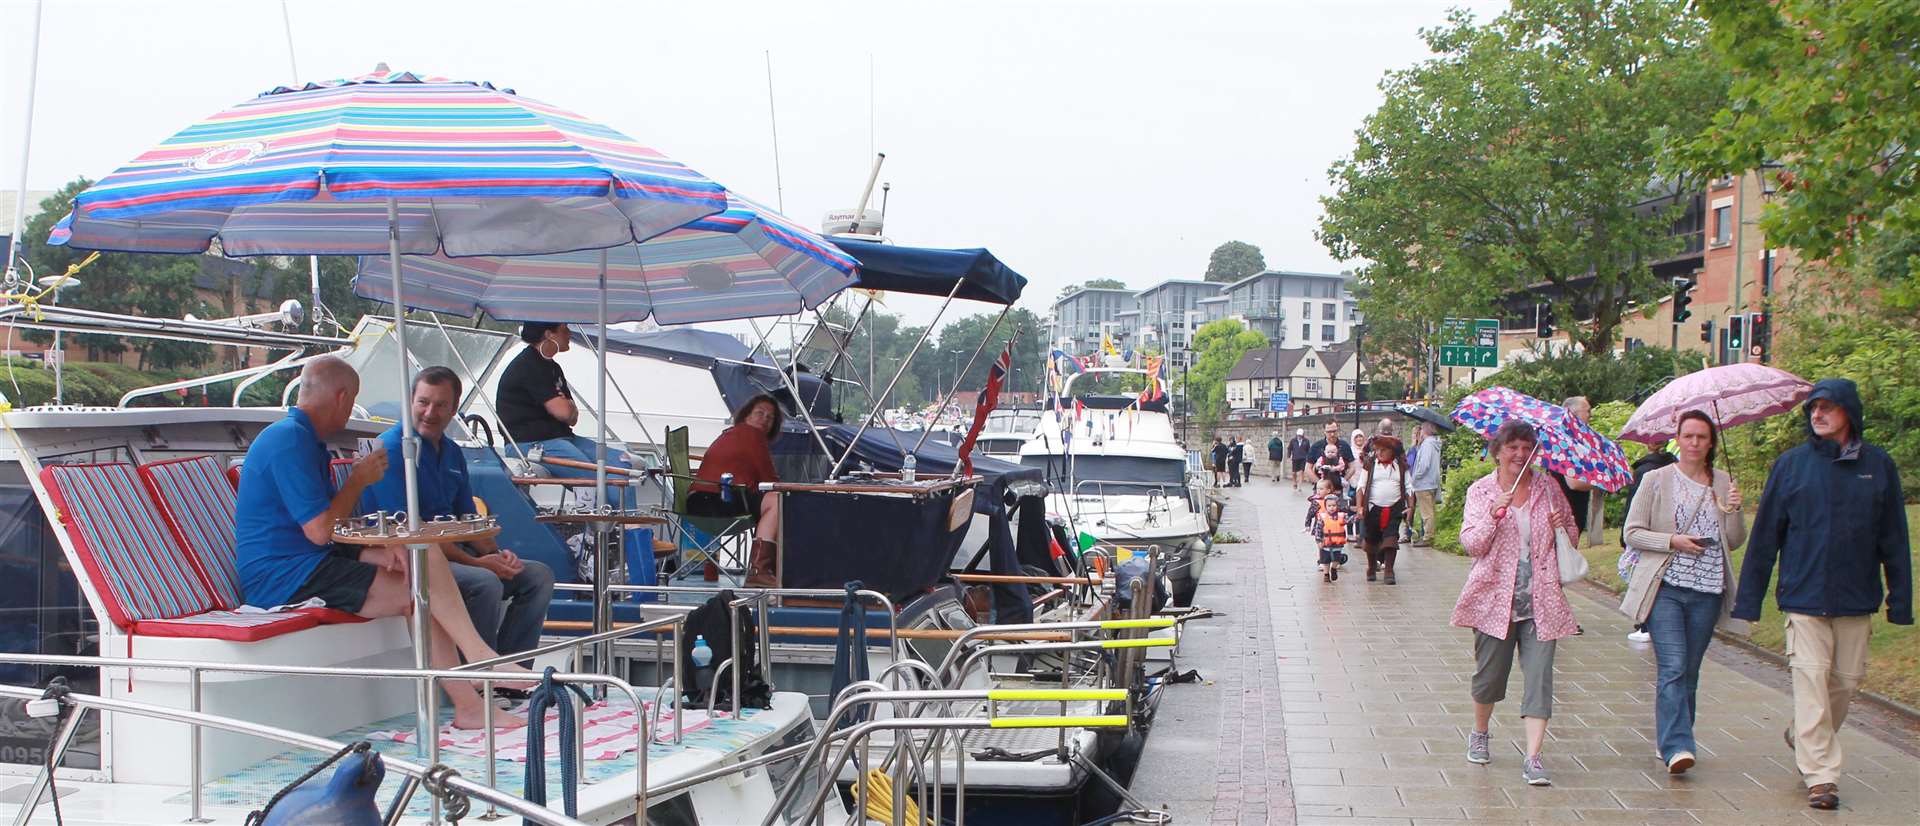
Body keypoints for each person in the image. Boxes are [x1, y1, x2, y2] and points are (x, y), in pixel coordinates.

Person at [234, 357, 528, 730]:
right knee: (415, 594)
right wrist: (357, 480)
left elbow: (324, 533)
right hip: (282, 577)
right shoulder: (288, 440)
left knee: (420, 554)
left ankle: (474, 679)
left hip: (308, 562)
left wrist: (375, 551)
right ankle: (473, 681)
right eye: (353, 398)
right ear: (342, 397)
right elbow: (320, 531)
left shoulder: (305, 441)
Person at [1733, 379, 1912, 811]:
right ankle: (1822, 777)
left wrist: (1900, 601)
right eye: (1813, 408)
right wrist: (1748, 602)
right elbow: (1764, 538)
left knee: (1845, 683)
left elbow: (1895, 539)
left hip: (1856, 596)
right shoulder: (1791, 466)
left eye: (1828, 408)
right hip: (1804, 596)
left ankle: (1803, 735)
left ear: (1849, 413)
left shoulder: (1878, 466)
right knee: (1810, 681)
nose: (1818, 415)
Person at [362, 367, 555, 669]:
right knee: (484, 582)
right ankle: (478, 678)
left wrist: (496, 554)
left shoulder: (451, 453)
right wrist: (479, 564)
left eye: (440, 405)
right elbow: (412, 534)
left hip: (452, 555)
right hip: (413, 560)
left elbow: (468, 521)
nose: (430, 412)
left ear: (454, 409)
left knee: (538, 576)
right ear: (410, 401)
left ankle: (513, 674)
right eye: (423, 402)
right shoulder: (391, 450)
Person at [1453, 420, 1580, 787]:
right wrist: (1493, 516)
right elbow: (1471, 545)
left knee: (1539, 678)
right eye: (1513, 447)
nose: (1520, 454)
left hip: (1542, 600)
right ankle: (1480, 731)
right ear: (1498, 451)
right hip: (1495, 599)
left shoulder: (1548, 488)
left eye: (1528, 448)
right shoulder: (1481, 491)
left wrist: (1562, 525)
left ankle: (1534, 756)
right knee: (1490, 677)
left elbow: (1570, 537)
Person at [1619, 411, 1747, 776]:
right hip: (1667, 588)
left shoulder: (1722, 482)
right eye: (1688, 436)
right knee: (1673, 666)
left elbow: (1734, 541)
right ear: (1678, 438)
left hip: (1708, 589)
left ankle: (1672, 737)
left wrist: (1735, 509)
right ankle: (1678, 745)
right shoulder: (1658, 480)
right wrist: (1672, 541)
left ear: (1711, 443)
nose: (1694, 443)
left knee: (1690, 669)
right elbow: (1633, 532)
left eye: (1701, 437)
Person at [496, 322, 645, 560]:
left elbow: (570, 417)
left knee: (622, 464)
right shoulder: (528, 366)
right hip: (530, 444)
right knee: (592, 475)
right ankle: (593, 545)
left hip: (563, 437)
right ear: (549, 334)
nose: (569, 334)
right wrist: (567, 409)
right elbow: (566, 412)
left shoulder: (551, 367)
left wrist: (567, 409)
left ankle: (632, 532)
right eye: (564, 329)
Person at [692, 394, 786, 587]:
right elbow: (771, 480)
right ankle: (760, 571)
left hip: (698, 503)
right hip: (718, 501)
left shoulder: (731, 434)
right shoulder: (751, 435)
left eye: (770, 418)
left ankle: (765, 569)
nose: (765, 420)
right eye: (760, 413)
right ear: (746, 416)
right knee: (779, 500)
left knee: (774, 500)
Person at [1619, 443, 1679, 644]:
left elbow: (1633, 508)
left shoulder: (1645, 471)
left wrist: (1624, 536)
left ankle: (1646, 624)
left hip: (1651, 537)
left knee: (1646, 579)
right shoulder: (1675, 467)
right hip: (1668, 536)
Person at [1356, 435, 1409, 584]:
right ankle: (1372, 567)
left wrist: (1410, 508)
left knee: (1391, 538)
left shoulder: (1401, 466)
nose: (1379, 453)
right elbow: (1361, 486)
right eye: (1377, 450)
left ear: (1392, 451)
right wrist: (1360, 507)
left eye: (1383, 450)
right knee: (1371, 539)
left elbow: (1409, 488)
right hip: (1373, 509)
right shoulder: (1370, 464)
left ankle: (1389, 570)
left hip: (1394, 508)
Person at [1305, 477, 1350, 582]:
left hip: (1334, 529)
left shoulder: (1335, 501)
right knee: (1321, 546)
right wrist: (1307, 524)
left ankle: (1334, 561)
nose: (1318, 491)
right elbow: (1310, 514)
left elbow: (1343, 511)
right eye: (1317, 489)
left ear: (1329, 490)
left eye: (1321, 489)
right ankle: (1322, 561)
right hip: (1319, 527)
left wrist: (1350, 511)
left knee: (1335, 546)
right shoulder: (1316, 502)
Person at [1408, 423, 1442, 546]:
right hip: (1432, 482)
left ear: (1426, 430)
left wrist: (1415, 478)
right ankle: (1429, 534)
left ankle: (1428, 537)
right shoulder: (1435, 443)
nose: (1420, 431)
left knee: (1426, 512)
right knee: (1430, 510)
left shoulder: (1427, 444)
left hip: (1424, 483)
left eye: (1422, 428)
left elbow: (1424, 464)